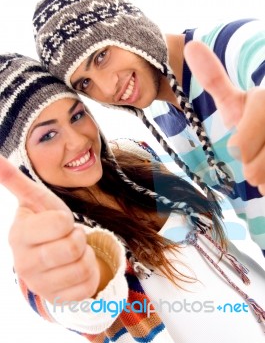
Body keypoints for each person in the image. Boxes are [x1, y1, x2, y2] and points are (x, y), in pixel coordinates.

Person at [0, 53, 265, 342]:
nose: (78, 141)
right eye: (47, 135)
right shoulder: (46, 245)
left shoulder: (138, 156)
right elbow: (78, 305)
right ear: (19, 159)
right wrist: (79, 284)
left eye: (77, 116)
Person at [32, 0, 265, 258]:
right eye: (84, 83)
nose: (107, 89)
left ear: (127, 27)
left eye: (101, 56)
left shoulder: (236, 47)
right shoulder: (161, 112)